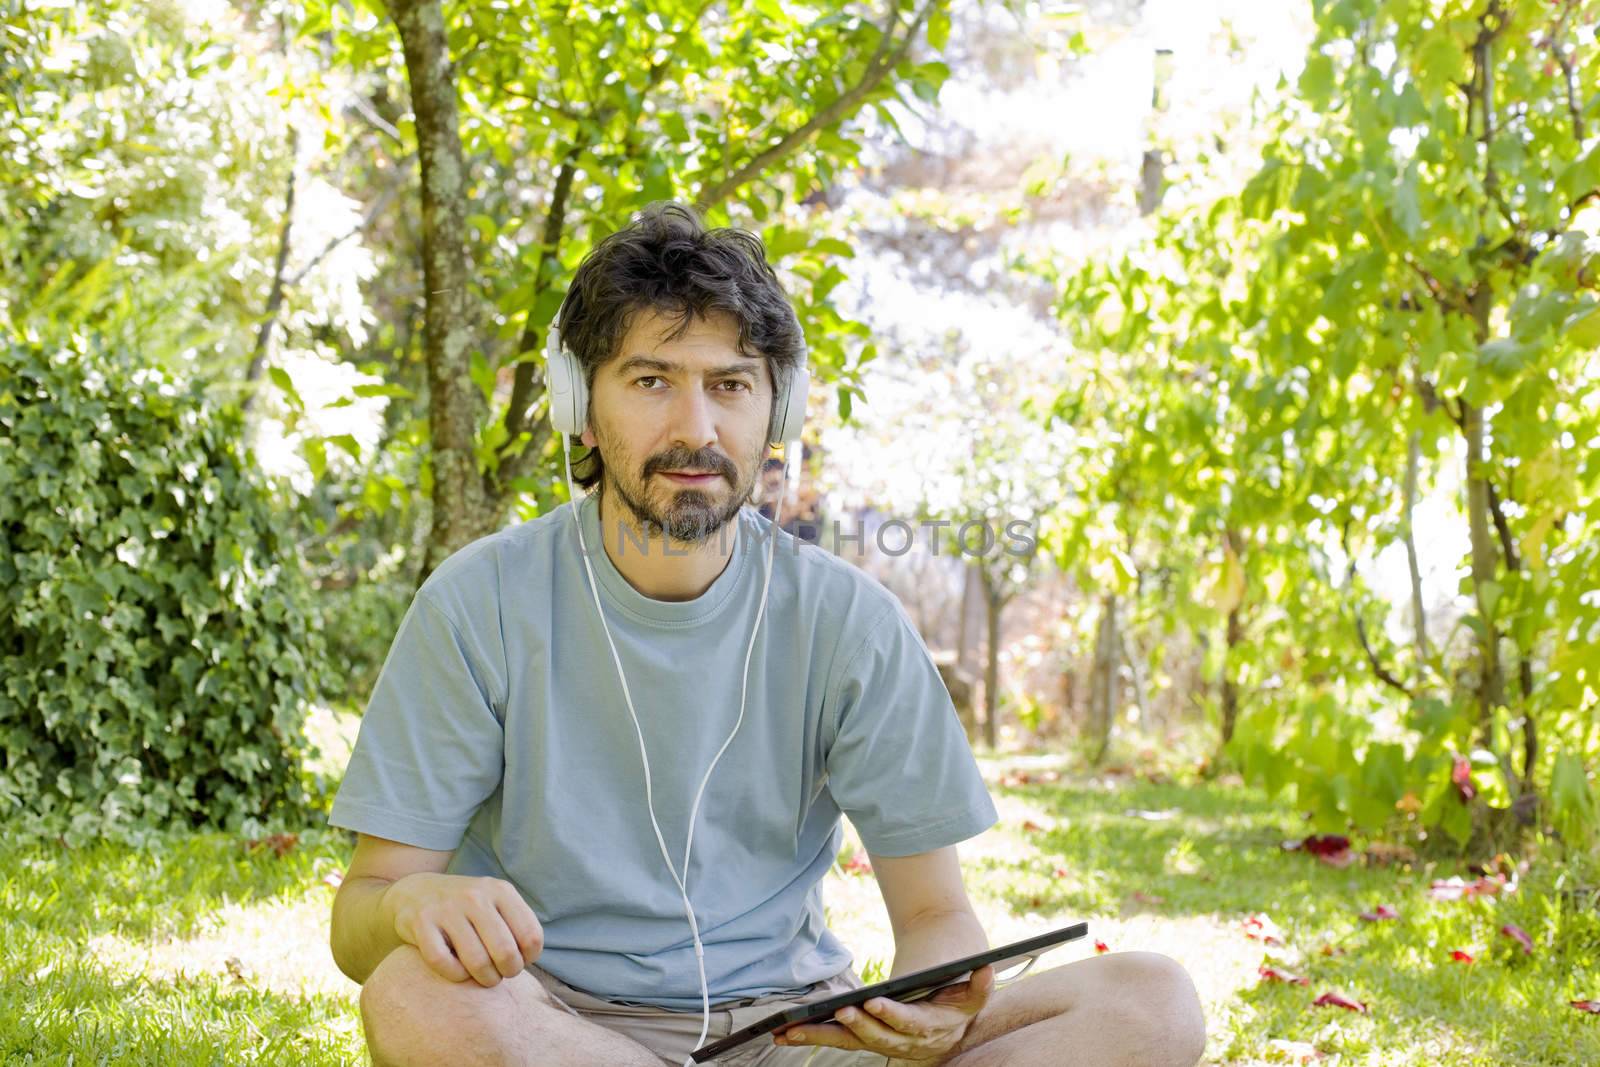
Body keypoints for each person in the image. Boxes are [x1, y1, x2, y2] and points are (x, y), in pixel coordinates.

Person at [327, 202, 1206, 1067]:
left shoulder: (847, 621)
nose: (696, 427)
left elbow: (937, 914)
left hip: (790, 1035)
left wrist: (935, 997)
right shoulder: (477, 603)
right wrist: (412, 907)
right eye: (650, 380)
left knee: (1149, 1002)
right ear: (580, 409)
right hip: (556, 1030)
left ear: (775, 416)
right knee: (412, 994)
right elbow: (362, 912)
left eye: (731, 385)